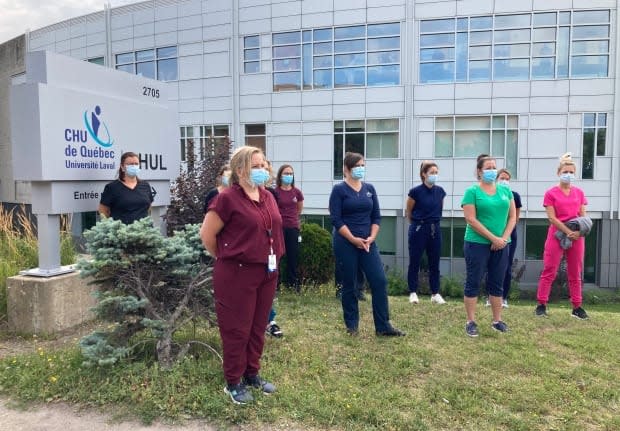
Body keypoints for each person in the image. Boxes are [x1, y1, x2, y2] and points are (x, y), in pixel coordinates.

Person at [200, 146, 284, 405]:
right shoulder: (227, 198)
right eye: (255, 166)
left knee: (258, 326)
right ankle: (233, 382)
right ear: (240, 170)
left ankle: (251, 373)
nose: (262, 170)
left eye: (264, 165)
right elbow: (207, 236)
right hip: (236, 273)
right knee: (238, 329)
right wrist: (229, 258)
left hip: (267, 271)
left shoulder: (268, 196)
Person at [329, 152, 404, 337]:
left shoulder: (370, 188)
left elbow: (376, 217)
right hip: (346, 242)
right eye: (357, 166)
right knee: (350, 284)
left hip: (368, 243)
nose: (361, 169)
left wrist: (371, 237)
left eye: (363, 165)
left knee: (379, 280)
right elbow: (336, 220)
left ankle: (383, 326)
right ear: (346, 169)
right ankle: (352, 326)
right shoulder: (339, 190)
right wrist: (353, 239)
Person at [461, 155, 516, 337]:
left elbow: (512, 217)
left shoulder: (505, 192)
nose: (492, 170)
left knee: (497, 283)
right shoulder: (472, 191)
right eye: (488, 167)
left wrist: (503, 239)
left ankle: (497, 320)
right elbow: (471, 219)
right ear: (479, 171)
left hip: (501, 245)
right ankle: (470, 321)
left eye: (494, 167)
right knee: (473, 281)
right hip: (477, 244)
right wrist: (493, 238)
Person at [535, 153, 589, 320]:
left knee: (575, 272)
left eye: (572, 172)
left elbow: (583, 215)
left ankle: (577, 307)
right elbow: (552, 217)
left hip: (576, 235)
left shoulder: (579, 193)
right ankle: (541, 304)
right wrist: (566, 232)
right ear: (559, 173)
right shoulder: (550, 193)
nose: (569, 175)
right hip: (557, 234)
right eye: (566, 171)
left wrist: (579, 232)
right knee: (550, 269)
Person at [406, 161, 447, 305]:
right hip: (418, 228)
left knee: (434, 262)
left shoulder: (440, 191)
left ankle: (435, 293)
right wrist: (417, 225)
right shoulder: (415, 191)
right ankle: (413, 292)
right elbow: (409, 211)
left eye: (436, 173)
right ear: (424, 174)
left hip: (435, 228)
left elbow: (439, 209)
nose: (434, 175)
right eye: (431, 173)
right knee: (415, 261)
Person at [484, 169, 522, 308]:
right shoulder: (491, 194)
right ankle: (489, 297)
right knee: (490, 266)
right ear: (496, 179)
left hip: (509, 235)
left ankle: (503, 298)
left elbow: (515, 217)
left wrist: (505, 235)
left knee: (505, 267)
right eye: (502, 178)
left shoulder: (514, 196)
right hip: (492, 234)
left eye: (507, 178)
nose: (504, 181)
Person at [98, 151, 153, 224]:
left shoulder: (145, 186)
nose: (134, 166)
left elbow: (148, 208)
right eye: (130, 164)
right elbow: (103, 211)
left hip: (145, 232)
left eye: (136, 164)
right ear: (122, 167)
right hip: (122, 233)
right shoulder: (112, 187)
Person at [273, 164, 304, 292]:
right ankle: (276, 284)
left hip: (292, 228)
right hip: (278, 228)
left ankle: (293, 284)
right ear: (280, 175)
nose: (288, 176)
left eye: (291, 174)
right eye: (286, 173)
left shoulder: (297, 192)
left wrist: (293, 219)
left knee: (293, 256)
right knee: (277, 256)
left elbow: (299, 209)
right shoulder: (275, 192)